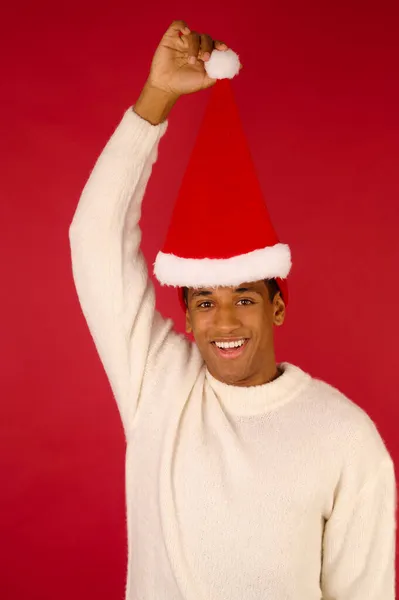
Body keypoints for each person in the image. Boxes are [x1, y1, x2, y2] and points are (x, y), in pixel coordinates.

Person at [69, 19, 397, 600]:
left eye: (244, 297)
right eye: (205, 301)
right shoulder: (157, 385)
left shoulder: (347, 440)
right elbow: (93, 236)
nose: (223, 322)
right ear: (187, 314)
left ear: (277, 308)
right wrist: (158, 98)